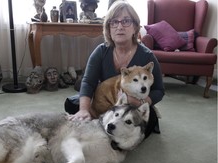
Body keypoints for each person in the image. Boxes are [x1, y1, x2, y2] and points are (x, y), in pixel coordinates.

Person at [64, 0, 165, 139]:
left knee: (147, 122)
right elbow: (88, 82)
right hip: (106, 99)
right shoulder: (101, 51)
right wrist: (84, 109)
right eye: (114, 22)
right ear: (108, 28)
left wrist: (141, 102)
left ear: (135, 27)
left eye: (126, 21)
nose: (119, 26)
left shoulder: (147, 57)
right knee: (72, 104)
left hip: (134, 106)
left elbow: (159, 90)